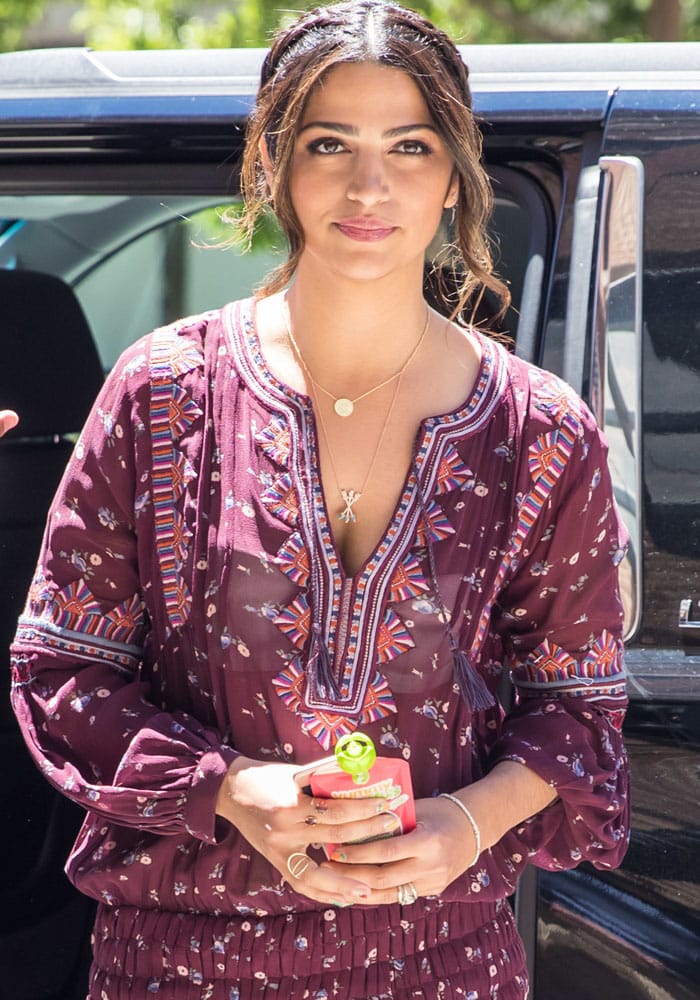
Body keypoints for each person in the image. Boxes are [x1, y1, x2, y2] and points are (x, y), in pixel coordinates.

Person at [10, 2, 630, 997]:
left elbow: (579, 711)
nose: (368, 184)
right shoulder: (163, 392)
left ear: (453, 173)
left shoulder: (539, 430)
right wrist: (231, 789)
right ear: (272, 160)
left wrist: (467, 821)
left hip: (440, 962)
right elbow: (62, 675)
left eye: (409, 145)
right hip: (181, 960)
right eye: (329, 142)